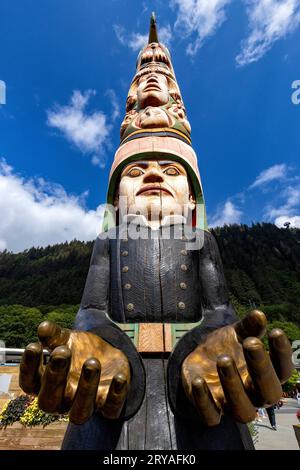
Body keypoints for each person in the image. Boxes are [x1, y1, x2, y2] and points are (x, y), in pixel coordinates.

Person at [19, 14, 293, 451]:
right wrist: (93, 343)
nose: (152, 174)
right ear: (114, 196)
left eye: (169, 169)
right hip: (114, 385)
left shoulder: (200, 238)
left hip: (196, 386)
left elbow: (219, 310)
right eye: (134, 171)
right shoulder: (108, 240)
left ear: (191, 197)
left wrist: (215, 345)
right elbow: (91, 310)